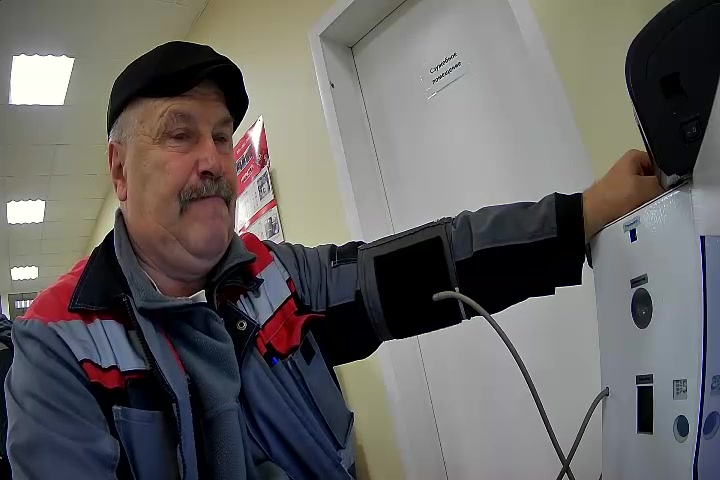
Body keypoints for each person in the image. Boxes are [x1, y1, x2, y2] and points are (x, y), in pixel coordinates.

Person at [4, 41, 662, 480]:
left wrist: (581, 214)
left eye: (223, 137)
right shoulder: (58, 345)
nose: (212, 160)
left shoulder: (273, 274)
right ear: (120, 169)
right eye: (180, 134)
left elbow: (425, 267)